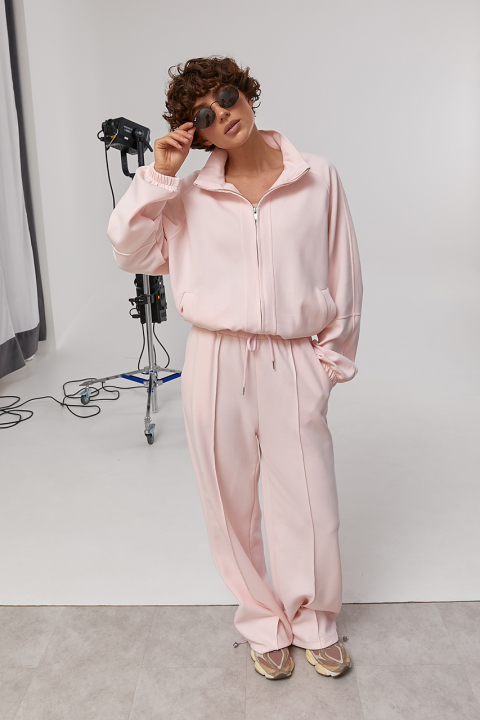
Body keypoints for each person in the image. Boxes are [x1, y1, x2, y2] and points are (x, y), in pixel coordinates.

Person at [106, 55, 363, 681]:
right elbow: (129, 251)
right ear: (194, 133)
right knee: (229, 500)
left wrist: (328, 363)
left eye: (226, 96)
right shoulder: (187, 194)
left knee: (308, 498)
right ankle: (262, 620)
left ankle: (314, 619)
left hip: (292, 356)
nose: (222, 114)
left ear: (246, 93)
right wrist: (159, 177)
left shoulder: (318, 176)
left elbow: (344, 273)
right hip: (215, 357)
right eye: (203, 115)